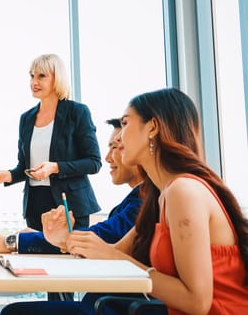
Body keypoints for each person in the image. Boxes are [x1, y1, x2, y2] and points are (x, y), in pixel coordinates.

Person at [65, 88, 248, 314]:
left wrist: (115, 257)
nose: (119, 137)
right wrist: (64, 237)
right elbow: (111, 253)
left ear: (152, 127)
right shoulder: (160, 196)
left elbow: (197, 303)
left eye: (126, 123)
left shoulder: (184, 191)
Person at [0, 118, 143, 257]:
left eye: (117, 146)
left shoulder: (144, 200)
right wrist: (10, 175)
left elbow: (100, 238)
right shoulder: (135, 200)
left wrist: (13, 242)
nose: (108, 157)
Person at [0, 53, 102, 232]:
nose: (34, 82)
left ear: (57, 79)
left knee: (69, 258)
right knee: (34, 258)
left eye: (41, 76)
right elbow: (25, 168)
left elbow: (93, 162)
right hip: (35, 204)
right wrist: (7, 175)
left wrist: (55, 167)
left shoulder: (77, 112)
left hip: (69, 205)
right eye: (32, 76)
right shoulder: (26, 118)